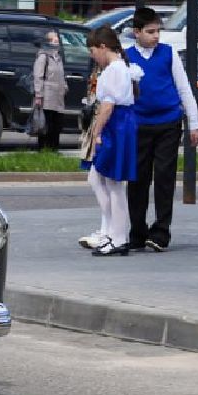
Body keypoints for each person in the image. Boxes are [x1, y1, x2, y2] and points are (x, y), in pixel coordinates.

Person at [124, 6, 198, 253]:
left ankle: (160, 232)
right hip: (138, 124)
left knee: (165, 177)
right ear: (136, 32)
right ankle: (137, 231)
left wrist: (194, 122)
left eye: (158, 31)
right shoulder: (126, 57)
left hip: (168, 122)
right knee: (137, 178)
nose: (156, 36)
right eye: (150, 31)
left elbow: (183, 88)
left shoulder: (168, 54)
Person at [79, 25, 137, 256]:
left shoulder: (114, 70)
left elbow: (107, 106)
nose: (92, 56)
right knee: (102, 178)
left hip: (116, 124)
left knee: (112, 182)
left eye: (93, 51)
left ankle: (118, 236)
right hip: (121, 123)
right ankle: (113, 233)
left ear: (103, 47)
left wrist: (97, 132)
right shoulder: (120, 67)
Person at [30, 29, 68, 151]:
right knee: (46, 124)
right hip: (47, 97)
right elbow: (38, 76)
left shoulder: (58, 57)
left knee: (57, 124)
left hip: (58, 96)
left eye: (56, 38)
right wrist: (38, 95)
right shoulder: (43, 57)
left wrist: (65, 87)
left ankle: (54, 149)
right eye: (53, 38)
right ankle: (43, 149)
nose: (56, 40)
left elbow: (61, 75)